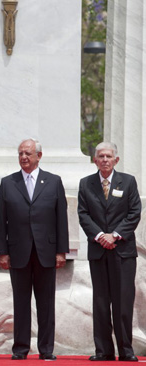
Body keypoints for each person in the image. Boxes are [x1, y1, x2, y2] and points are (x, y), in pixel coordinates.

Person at [0, 138, 69, 360]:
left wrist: (61, 251)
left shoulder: (53, 182)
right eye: (20, 154)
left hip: (46, 252)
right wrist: (3, 252)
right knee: (20, 303)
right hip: (18, 253)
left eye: (28, 153)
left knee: (46, 303)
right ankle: (20, 349)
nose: (24, 157)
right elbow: (1, 221)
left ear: (39, 155)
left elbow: (61, 219)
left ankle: (46, 349)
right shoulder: (8, 183)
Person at [77, 142, 141, 362]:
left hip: (122, 252)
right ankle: (103, 351)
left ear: (116, 160)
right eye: (101, 156)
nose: (104, 159)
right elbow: (83, 214)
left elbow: (134, 212)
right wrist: (99, 236)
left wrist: (114, 235)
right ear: (95, 160)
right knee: (101, 302)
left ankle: (126, 350)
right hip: (98, 251)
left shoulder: (129, 182)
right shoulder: (86, 184)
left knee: (123, 302)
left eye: (108, 156)